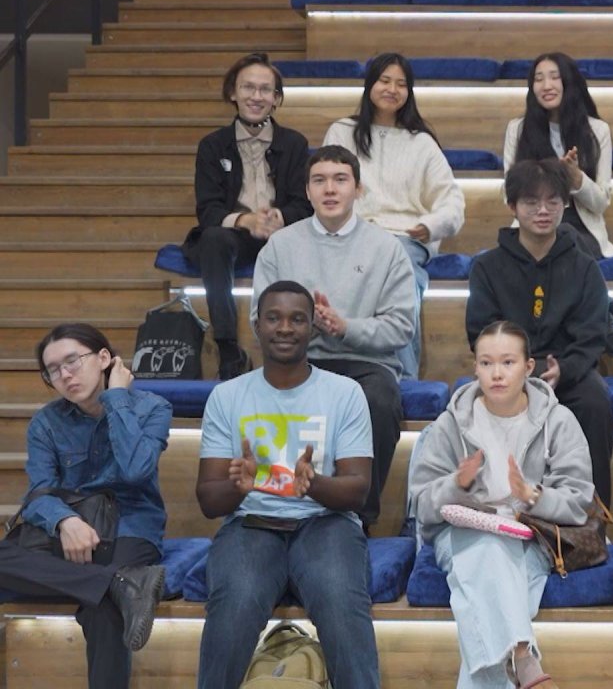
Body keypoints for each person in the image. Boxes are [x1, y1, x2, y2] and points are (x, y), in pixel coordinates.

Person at [195, 280, 379, 689]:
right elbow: (208, 499)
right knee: (233, 604)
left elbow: (357, 490)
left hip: (326, 524)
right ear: (257, 325)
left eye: (297, 319)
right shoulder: (227, 396)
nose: (284, 328)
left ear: (312, 327)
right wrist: (240, 487)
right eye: (273, 318)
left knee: (342, 605)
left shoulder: (345, 393)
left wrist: (313, 485)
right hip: (251, 525)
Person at [408, 320, 595, 689]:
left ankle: (521, 661)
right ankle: (524, 658)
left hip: (532, 537)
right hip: (460, 535)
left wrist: (532, 495)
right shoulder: (451, 424)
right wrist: (456, 484)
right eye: (486, 363)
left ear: (528, 367)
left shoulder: (558, 421)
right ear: (475, 367)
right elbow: (422, 505)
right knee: (488, 550)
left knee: (481, 594)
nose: (496, 373)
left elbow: (578, 501)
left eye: (508, 362)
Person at [252, 144, 417, 531]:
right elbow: (258, 317)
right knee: (254, 394)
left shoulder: (387, 248)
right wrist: (302, 326)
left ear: (357, 189)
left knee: (380, 399)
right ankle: (274, 508)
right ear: (307, 191)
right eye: (319, 180)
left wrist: (345, 327)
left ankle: (359, 516)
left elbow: (400, 327)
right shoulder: (281, 245)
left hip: (366, 364)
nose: (329, 189)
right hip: (299, 360)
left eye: (340, 180)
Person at [0, 323, 170, 688]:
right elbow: (39, 492)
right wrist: (65, 521)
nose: (64, 375)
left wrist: (117, 397)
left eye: (72, 361)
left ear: (104, 358)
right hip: (74, 533)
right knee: (106, 596)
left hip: (130, 527)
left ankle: (112, 586)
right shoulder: (47, 422)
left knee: (102, 609)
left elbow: (136, 471)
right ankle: (119, 584)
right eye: (53, 370)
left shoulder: (152, 408)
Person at [467, 158, 613, 508]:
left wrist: (566, 368)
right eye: (531, 201)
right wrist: (513, 367)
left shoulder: (584, 266)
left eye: (553, 201)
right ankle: (489, 506)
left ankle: (593, 514)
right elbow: (481, 330)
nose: (543, 210)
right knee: (469, 405)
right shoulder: (487, 267)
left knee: (596, 403)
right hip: (507, 370)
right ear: (512, 206)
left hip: (568, 371)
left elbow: (592, 333)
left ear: (565, 204)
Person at [323, 51, 466, 380]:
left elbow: (452, 203)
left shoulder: (422, 143)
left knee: (398, 268)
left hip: (404, 238)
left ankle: (404, 379)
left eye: (401, 84)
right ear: (370, 85)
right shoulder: (342, 132)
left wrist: (429, 226)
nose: (392, 89)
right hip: (350, 235)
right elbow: (326, 186)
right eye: (384, 81)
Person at [183, 52, 312, 380]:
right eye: (248, 88)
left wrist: (278, 217)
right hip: (233, 236)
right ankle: (228, 349)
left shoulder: (294, 144)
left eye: (265, 90)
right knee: (213, 239)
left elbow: (304, 204)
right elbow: (208, 209)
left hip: (282, 232)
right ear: (233, 93)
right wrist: (246, 221)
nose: (257, 96)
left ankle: (300, 349)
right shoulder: (212, 146)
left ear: (276, 98)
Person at [503, 51, 613, 358]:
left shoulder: (597, 130)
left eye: (554, 77)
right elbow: (507, 193)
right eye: (538, 79)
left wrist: (576, 179)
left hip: (582, 226)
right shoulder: (518, 129)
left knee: (566, 235)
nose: (546, 85)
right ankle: (606, 318)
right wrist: (545, 184)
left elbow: (600, 202)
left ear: (569, 83)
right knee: (560, 236)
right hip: (532, 224)